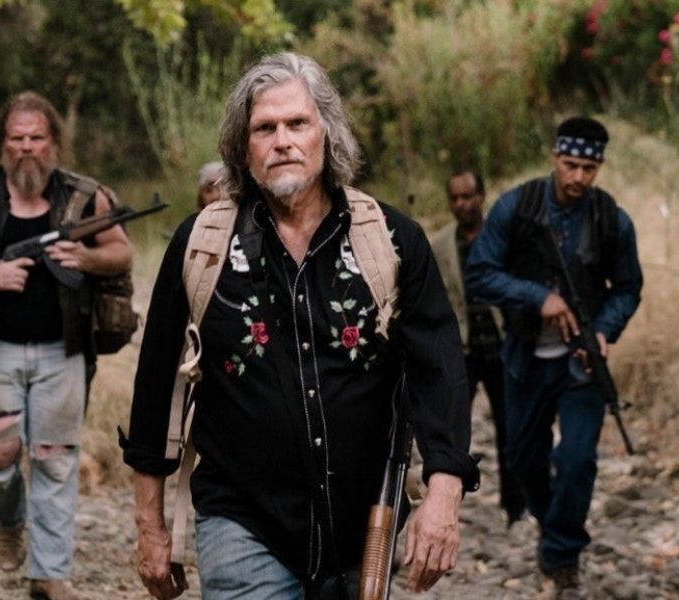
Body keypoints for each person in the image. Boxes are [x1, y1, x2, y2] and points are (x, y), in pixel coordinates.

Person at [121, 52, 479, 599]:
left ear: (326, 134)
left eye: (297, 123)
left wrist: (444, 494)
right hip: (241, 519)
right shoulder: (202, 246)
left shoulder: (390, 240)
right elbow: (154, 392)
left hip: (363, 524)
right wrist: (150, 526)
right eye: (264, 128)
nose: (282, 141)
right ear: (242, 146)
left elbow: (440, 371)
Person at [0, 91, 132, 600]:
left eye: (37, 137)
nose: (27, 147)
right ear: (2, 144)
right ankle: (11, 521)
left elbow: (121, 253)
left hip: (64, 351)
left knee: (55, 459)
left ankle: (49, 575)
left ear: (53, 141)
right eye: (17, 138)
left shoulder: (83, 197)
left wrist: (85, 258)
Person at [465, 117, 642, 599]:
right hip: (524, 357)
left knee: (578, 458)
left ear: (599, 167)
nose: (578, 177)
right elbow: (479, 273)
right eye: (570, 165)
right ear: (554, 158)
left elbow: (628, 288)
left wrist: (604, 329)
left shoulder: (611, 220)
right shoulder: (516, 207)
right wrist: (537, 297)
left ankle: (562, 556)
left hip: (582, 362)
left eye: (589, 168)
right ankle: (553, 526)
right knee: (523, 459)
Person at [428, 170, 525, 527]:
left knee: (510, 429)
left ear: (481, 196)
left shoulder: (503, 238)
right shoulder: (440, 245)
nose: (462, 204)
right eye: (455, 198)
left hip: (501, 348)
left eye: (468, 196)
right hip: (463, 352)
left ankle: (515, 508)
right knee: (452, 431)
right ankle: (444, 506)